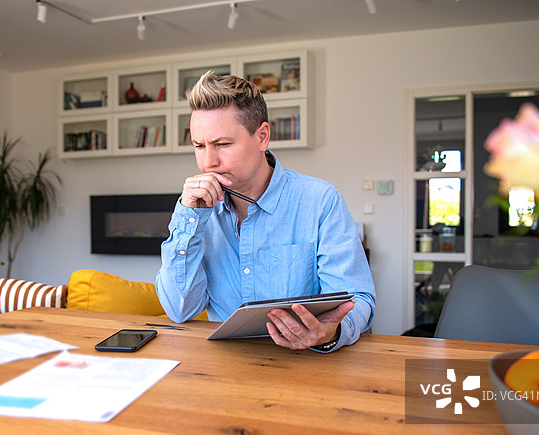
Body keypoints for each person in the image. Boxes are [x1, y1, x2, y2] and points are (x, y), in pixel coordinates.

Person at [155, 71, 375, 352]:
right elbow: (179, 309)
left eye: (222, 144)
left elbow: (358, 300)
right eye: (199, 146)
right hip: (225, 368)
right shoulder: (195, 211)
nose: (208, 162)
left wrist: (331, 332)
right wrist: (189, 219)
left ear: (262, 136)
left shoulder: (320, 200)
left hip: (306, 364)